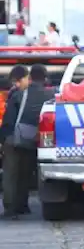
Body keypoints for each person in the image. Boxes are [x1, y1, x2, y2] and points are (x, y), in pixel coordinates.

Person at [1, 65, 43, 218]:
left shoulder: (16, 95)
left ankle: (10, 208)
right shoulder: (43, 93)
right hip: (30, 139)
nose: (18, 84)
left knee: (11, 174)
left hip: (13, 139)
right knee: (25, 173)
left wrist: (3, 139)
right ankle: (22, 205)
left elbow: (8, 120)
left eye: (19, 81)